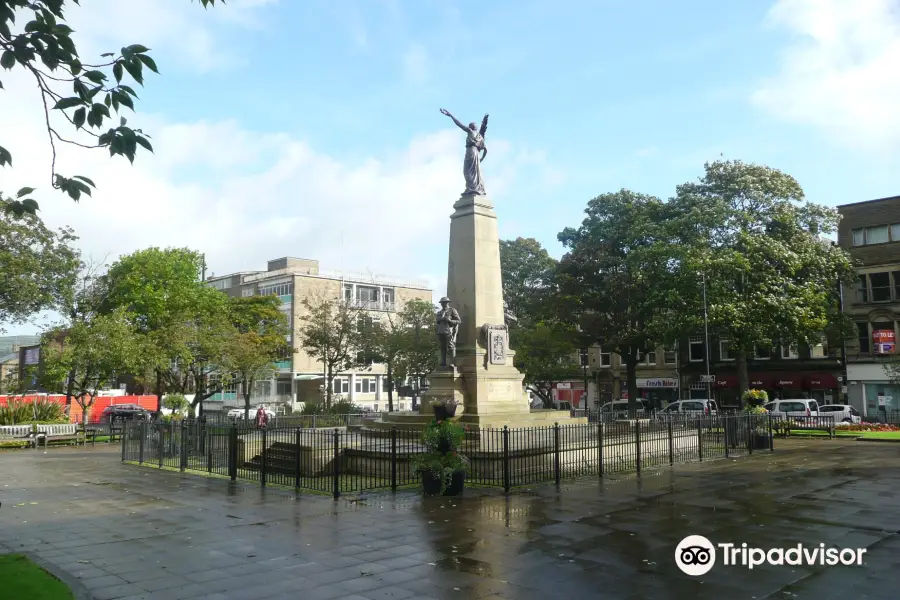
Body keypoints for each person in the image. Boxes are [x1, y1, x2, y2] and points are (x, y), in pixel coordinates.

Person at [435, 297, 461, 367]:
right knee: (442, 347)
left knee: (451, 346)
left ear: (447, 303)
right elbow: (437, 321)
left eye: (444, 302)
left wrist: (450, 321)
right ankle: (443, 362)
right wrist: (440, 319)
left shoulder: (452, 310)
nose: (443, 304)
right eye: (442, 303)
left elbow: (459, 321)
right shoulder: (439, 312)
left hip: (449, 331)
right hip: (440, 331)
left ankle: (453, 362)